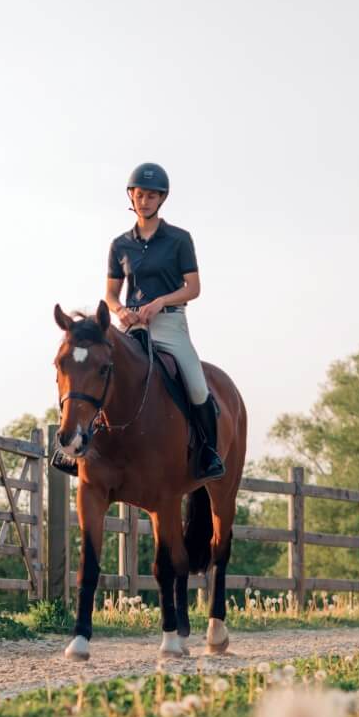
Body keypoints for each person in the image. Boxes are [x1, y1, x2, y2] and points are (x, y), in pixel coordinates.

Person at [105, 162, 225, 480]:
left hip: (170, 324)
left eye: (151, 196)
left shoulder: (179, 239)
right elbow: (111, 295)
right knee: (98, 372)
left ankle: (209, 455)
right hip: (131, 327)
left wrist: (160, 302)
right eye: (139, 195)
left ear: (161, 200)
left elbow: (193, 288)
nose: (144, 201)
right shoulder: (120, 245)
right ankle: (81, 450)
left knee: (198, 387)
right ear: (131, 196)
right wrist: (120, 311)